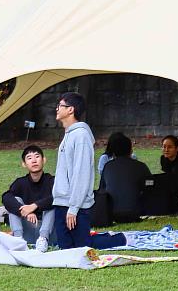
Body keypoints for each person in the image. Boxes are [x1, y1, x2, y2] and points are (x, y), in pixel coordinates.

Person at [51, 92, 126, 249]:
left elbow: (81, 173)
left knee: (81, 248)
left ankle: (119, 239)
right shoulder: (68, 135)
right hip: (62, 201)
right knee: (65, 249)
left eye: (60, 106)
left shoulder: (81, 136)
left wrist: (73, 208)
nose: (57, 109)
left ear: (70, 109)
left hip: (75, 204)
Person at [1, 145, 56, 252]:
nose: (34, 161)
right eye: (29, 158)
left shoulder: (51, 181)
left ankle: (43, 239)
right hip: (28, 227)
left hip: (49, 229)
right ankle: (18, 240)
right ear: (24, 164)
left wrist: (34, 206)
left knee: (54, 202)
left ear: (44, 160)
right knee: (14, 200)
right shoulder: (20, 182)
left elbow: (57, 198)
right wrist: (24, 210)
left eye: (37, 156)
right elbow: (6, 197)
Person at [99, 133, 151, 222]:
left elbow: (102, 190)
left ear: (114, 151)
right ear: (130, 150)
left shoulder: (108, 166)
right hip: (137, 212)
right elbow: (151, 185)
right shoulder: (140, 166)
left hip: (112, 213)